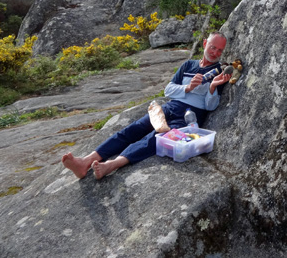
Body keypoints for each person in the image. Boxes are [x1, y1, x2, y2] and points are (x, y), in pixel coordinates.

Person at [61, 32, 231, 180]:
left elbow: (210, 106)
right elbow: (168, 90)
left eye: (219, 50)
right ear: (204, 44)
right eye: (212, 47)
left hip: (189, 116)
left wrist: (212, 87)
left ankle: (112, 164)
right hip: (170, 107)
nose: (215, 52)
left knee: (154, 139)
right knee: (134, 128)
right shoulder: (188, 66)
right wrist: (188, 87)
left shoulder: (219, 72)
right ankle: (85, 161)